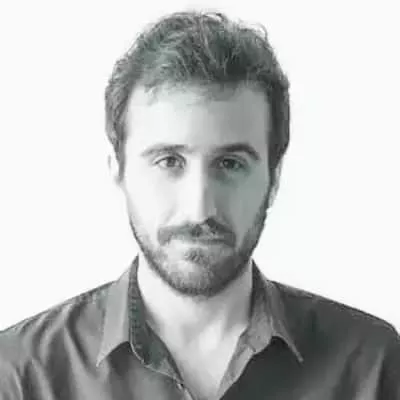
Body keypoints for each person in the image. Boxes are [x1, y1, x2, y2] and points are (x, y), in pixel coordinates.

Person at [0, 9, 399, 400]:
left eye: (230, 164)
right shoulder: (22, 374)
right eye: (169, 161)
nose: (199, 209)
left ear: (274, 178)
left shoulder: (371, 366)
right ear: (118, 170)